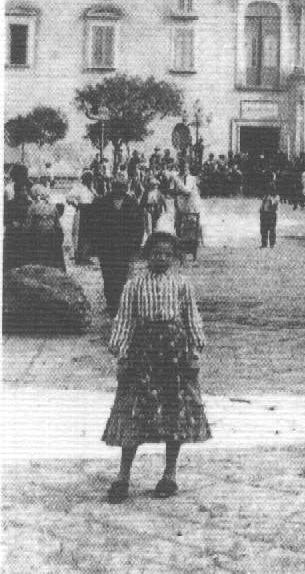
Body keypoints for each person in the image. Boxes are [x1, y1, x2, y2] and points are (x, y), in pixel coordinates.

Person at [102, 217, 211, 503]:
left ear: (174, 256)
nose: (160, 258)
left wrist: (195, 350)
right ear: (147, 254)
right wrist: (121, 352)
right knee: (134, 413)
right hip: (143, 354)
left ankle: (170, 475)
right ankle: (123, 477)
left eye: (166, 253)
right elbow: (125, 320)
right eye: (155, 253)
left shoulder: (182, 285)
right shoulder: (134, 285)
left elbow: (191, 319)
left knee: (174, 414)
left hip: (174, 354)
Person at [94, 177, 145, 314]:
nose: (119, 190)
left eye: (122, 187)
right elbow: (95, 225)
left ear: (126, 188)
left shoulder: (132, 203)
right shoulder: (103, 202)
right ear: (112, 187)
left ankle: (122, 304)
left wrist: (136, 244)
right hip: (107, 248)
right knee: (108, 276)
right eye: (116, 187)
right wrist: (97, 245)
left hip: (125, 248)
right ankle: (111, 304)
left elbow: (140, 225)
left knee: (122, 275)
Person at [173, 160, 202, 263]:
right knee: (179, 228)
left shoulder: (191, 179)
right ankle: (180, 254)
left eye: (186, 168)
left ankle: (194, 256)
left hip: (192, 207)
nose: (184, 170)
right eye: (182, 168)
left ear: (188, 169)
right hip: (181, 207)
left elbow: (187, 190)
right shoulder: (177, 178)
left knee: (193, 229)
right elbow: (173, 191)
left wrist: (178, 183)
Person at [66, 171, 97, 264]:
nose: (91, 181)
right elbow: (68, 197)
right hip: (82, 210)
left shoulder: (91, 189)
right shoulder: (78, 188)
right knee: (80, 234)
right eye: (89, 179)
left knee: (88, 234)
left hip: (90, 211)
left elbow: (95, 197)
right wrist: (75, 204)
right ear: (85, 179)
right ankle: (79, 256)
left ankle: (86, 256)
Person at [259, 181, 280, 248]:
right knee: (263, 230)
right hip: (264, 214)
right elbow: (262, 205)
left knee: (272, 230)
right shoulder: (265, 196)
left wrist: (270, 198)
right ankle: (264, 244)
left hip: (271, 214)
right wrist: (261, 210)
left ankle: (272, 244)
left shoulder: (276, 197)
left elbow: (274, 204)